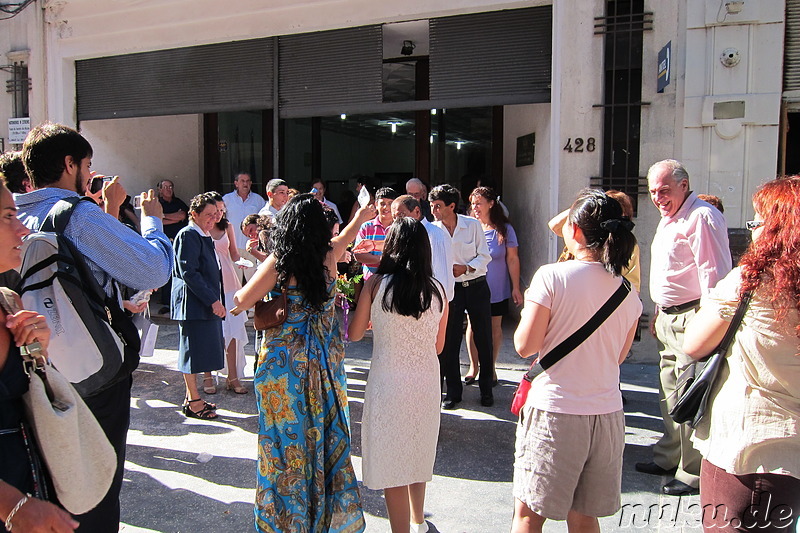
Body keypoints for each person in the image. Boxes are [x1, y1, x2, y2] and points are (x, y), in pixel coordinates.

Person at [15, 122, 172, 532]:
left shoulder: (12, 212)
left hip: (27, 368)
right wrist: (150, 221)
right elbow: (151, 269)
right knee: (92, 488)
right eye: (87, 164)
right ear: (70, 164)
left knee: (42, 479)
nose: (90, 173)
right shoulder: (76, 213)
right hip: (90, 375)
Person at [232, 194, 376, 532]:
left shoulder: (282, 260)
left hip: (283, 370)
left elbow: (241, 300)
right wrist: (361, 215)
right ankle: (322, 519)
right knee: (323, 440)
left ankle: (288, 521)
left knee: (284, 444)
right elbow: (348, 236)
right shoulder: (330, 256)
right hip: (325, 368)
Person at [511, 189, 642, 533]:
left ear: (576, 232)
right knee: (585, 517)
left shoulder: (552, 276)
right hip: (607, 414)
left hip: (556, 411)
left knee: (528, 515)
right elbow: (619, 356)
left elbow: (525, 346)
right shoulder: (628, 291)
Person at [683, 176, 800, 532]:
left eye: (758, 220)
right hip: (791, 456)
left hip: (744, 448)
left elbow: (694, 344)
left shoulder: (750, 282)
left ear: (777, 229)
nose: (751, 228)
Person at [634, 159, 732, 497]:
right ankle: (670, 455)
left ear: (684, 185)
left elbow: (713, 275)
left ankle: (692, 472)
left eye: (664, 190)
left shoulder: (702, 216)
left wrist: (706, 324)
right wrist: (660, 312)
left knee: (689, 393)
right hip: (670, 317)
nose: (658, 198)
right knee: (668, 389)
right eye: (653, 192)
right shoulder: (671, 217)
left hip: (693, 317)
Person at [348, 217, 448, 533]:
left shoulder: (376, 285)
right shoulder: (438, 290)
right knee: (418, 449)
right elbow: (440, 345)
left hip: (387, 380)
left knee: (392, 458)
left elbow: (353, 333)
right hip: (426, 380)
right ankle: (420, 521)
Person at [0, 176, 79, 533]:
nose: (21, 230)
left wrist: (37, 349)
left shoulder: (7, 301)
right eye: (6, 217)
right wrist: (14, 507)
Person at [429, 184, 493, 409]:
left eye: (437, 206)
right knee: (449, 342)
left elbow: (485, 256)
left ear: (452, 206)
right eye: (431, 205)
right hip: (450, 290)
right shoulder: (432, 230)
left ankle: (486, 388)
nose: (433, 210)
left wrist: (466, 267)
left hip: (476, 285)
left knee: (483, 338)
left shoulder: (472, 225)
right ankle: (453, 393)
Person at [171, 193, 226, 419]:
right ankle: (194, 401)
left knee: (201, 352)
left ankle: (191, 398)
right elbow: (189, 273)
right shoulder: (188, 235)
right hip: (193, 304)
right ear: (194, 214)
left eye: (216, 214)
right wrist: (213, 301)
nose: (213, 219)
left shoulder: (203, 234)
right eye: (208, 215)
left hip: (203, 302)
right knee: (191, 353)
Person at [465, 186, 523, 385]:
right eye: (473, 203)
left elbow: (513, 259)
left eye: (479, 203)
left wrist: (516, 287)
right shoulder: (469, 227)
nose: (475, 207)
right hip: (473, 286)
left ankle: (490, 367)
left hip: (497, 288)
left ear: (491, 204)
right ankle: (474, 366)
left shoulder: (505, 230)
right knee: (473, 325)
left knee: (494, 327)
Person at [548, 189, 641, 292]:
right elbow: (554, 226)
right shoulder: (586, 233)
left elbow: (632, 285)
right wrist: (582, 207)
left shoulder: (628, 245)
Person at [208, 192, 249, 394]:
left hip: (229, 282)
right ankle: (207, 376)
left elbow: (233, 253)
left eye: (222, 209)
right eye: (216, 209)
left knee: (232, 333)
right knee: (209, 331)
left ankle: (232, 377)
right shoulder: (199, 229)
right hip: (209, 285)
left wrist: (242, 261)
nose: (219, 213)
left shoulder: (228, 227)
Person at [391, 195, 454, 302]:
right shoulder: (401, 234)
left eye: (401, 215)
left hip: (431, 302)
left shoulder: (435, 234)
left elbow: (441, 275)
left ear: (417, 211)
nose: (397, 222)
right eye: (394, 218)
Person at [223, 172, 265, 283]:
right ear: (236, 183)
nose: (245, 184)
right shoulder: (227, 199)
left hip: (252, 247)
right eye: (242, 181)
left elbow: (263, 222)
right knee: (234, 282)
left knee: (253, 282)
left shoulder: (258, 200)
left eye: (248, 181)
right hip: (233, 246)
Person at [354, 187, 399, 279]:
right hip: (371, 281)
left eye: (390, 204)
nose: (386, 207)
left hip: (396, 280)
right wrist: (382, 260)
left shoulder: (400, 227)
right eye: (382, 204)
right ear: (376, 204)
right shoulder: (366, 227)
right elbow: (358, 254)